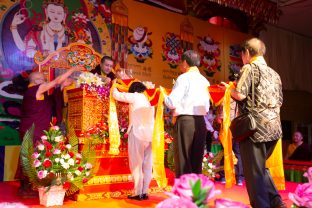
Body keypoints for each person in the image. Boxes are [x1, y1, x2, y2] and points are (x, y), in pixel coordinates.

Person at [221, 38, 286, 208]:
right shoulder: (274, 73)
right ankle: (276, 202)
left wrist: (228, 89)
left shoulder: (250, 67)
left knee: (253, 174)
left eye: (242, 55)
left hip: (255, 130)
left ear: (247, 53)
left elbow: (240, 95)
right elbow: (280, 101)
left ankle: (261, 205)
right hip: (274, 129)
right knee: (260, 169)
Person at [17, 66, 82, 197]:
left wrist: (61, 87)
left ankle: (33, 184)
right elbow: (56, 81)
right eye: (41, 79)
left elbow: (52, 101)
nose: (44, 81)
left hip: (38, 127)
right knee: (32, 154)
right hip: (33, 128)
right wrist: (72, 69)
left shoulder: (40, 93)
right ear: (34, 81)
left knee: (36, 154)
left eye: (44, 79)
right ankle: (27, 185)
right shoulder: (34, 90)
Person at [164, 50, 210, 178]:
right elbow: (207, 106)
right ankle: (195, 195)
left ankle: (183, 195)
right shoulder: (205, 80)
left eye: (180, 62)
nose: (179, 65)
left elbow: (171, 102)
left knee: (183, 159)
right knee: (197, 160)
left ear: (185, 62)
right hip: (201, 122)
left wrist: (162, 94)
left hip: (186, 121)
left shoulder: (183, 78)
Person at [112, 81, 154, 200]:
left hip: (137, 134)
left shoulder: (135, 95)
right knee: (147, 164)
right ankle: (145, 192)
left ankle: (137, 192)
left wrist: (114, 84)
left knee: (136, 163)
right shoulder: (148, 98)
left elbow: (117, 95)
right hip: (150, 135)